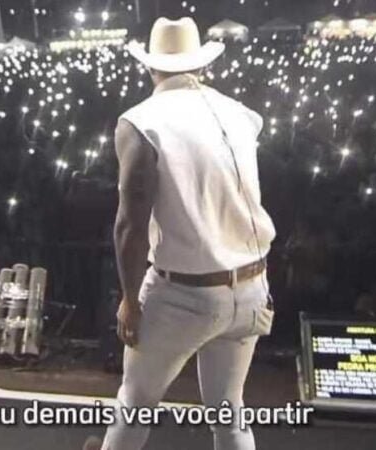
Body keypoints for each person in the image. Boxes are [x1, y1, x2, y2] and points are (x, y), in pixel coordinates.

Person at [84, 17, 277, 450]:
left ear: (151, 67)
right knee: (229, 412)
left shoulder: (140, 122)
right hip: (252, 287)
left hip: (186, 294)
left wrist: (131, 301)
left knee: (134, 403)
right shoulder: (240, 114)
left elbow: (131, 225)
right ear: (200, 65)